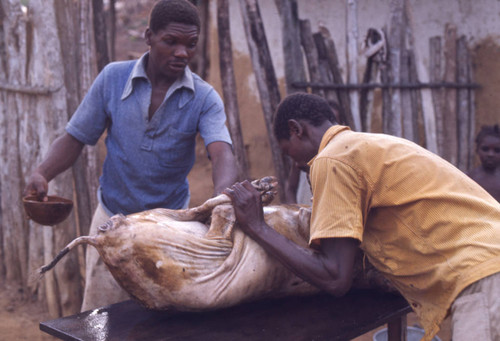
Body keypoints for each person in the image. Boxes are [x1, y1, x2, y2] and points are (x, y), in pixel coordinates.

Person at [225, 93, 500, 341]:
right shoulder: (367, 146)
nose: (295, 164)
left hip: (484, 276)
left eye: (288, 152)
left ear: (296, 130)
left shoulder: (332, 159)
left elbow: (335, 278)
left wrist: (258, 227)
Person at [24, 0, 238, 311]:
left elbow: (222, 153)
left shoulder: (204, 98)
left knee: (159, 318)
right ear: (149, 37)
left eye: (191, 44)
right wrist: (43, 172)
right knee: (98, 318)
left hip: (169, 228)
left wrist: (221, 200)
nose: (183, 53)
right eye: (171, 41)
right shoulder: (113, 79)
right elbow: (75, 138)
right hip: (111, 220)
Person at [467, 124, 500, 202]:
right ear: (477, 150)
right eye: (485, 149)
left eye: (497, 150)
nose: (490, 154)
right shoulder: (468, 178)